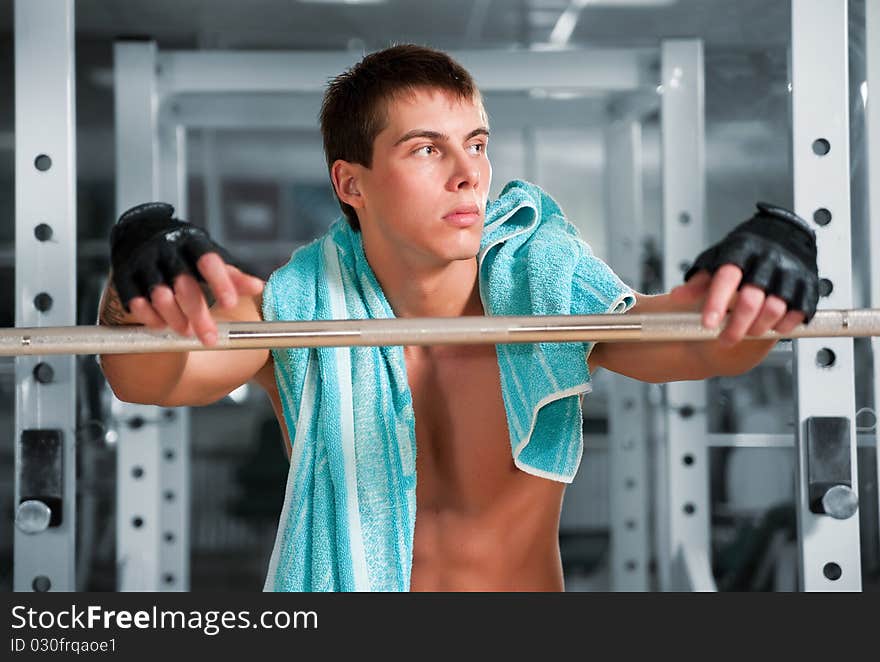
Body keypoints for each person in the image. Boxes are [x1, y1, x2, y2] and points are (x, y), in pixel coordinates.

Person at [98, 44, 818, 592]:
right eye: (426, 149)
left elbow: (701, 346)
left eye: (475, 144)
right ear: (352, 184)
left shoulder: (547, 296)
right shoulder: (298, 315)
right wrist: (132, 287)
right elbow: (145, 375)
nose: (469, 172)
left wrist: (757, 274)